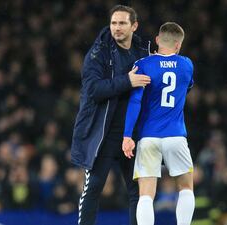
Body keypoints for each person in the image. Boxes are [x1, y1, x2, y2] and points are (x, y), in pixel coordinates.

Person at [70, 5, 151, 225]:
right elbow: (93, 90)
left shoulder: (143, 53)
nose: (116, 28)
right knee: (93, 188)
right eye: (114, 23)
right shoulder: (98, 53)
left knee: (138, 191)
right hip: (102, 135)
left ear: (134, 26)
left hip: (131, 135)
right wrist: (128, 80)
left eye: (122, 23)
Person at [122, 22, 195, 225]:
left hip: (149, 136)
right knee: (186, 188)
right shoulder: (187, 64)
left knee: (146, 194)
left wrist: (127, 136)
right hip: (176, 136)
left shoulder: (144, 65)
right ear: (179, 45)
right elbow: (186, 88)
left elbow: (135, 101)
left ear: (156, 40)